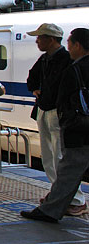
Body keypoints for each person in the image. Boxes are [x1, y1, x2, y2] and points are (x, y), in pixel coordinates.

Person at [22, 28, 89, 223]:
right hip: (76, 123)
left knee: (67, 166)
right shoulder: (50, 61)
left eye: (70, 43)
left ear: (77, 45)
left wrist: (66, 120)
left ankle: (53, 208)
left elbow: (65, 99)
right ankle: (55, 203)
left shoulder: (74, 68)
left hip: (79, 128)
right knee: (62, 165)